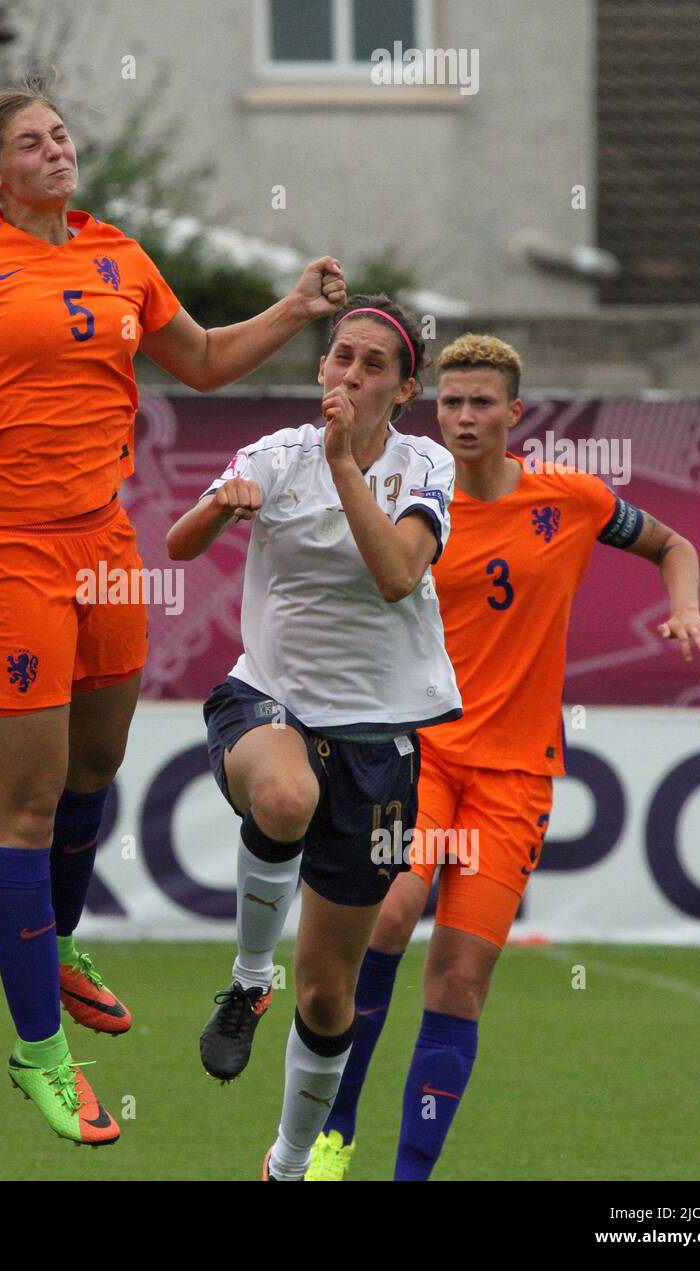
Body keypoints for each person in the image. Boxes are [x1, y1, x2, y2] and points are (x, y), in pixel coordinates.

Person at [0, 78, 347, 1147]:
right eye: (32, 142)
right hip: (7, 557)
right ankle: (39, 1049)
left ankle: (59, 936)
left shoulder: (118, 251)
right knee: (25, 810)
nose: (56, 149)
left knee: (96, 771)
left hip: (106, 546)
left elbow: (207, 359)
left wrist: (296, 307)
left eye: (61, 134)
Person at [308, 333, 700, 1181]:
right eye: (452, 402)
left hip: (515, 774)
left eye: (481, 403)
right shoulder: (413, 497)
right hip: (418, 752)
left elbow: (672, 544)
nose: (464, 417)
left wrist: (683, 606)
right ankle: (333, 1128)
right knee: (387, 917)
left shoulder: (569, 499)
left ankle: (409, 1176)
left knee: (460, 980)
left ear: (514, 414)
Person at [166, 295, 461, 1181]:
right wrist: (223, 506)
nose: (348, 375)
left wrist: (340, 465)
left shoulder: (425, 465)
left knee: (332, 992)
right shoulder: (276, 452)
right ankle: (252, 978)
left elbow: (397, 572)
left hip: (377, 741)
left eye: (373, 365)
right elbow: (179, 543)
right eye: (339, 357)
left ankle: (288, 1164)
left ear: (403, 387)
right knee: (287, 796)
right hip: (269, 700)